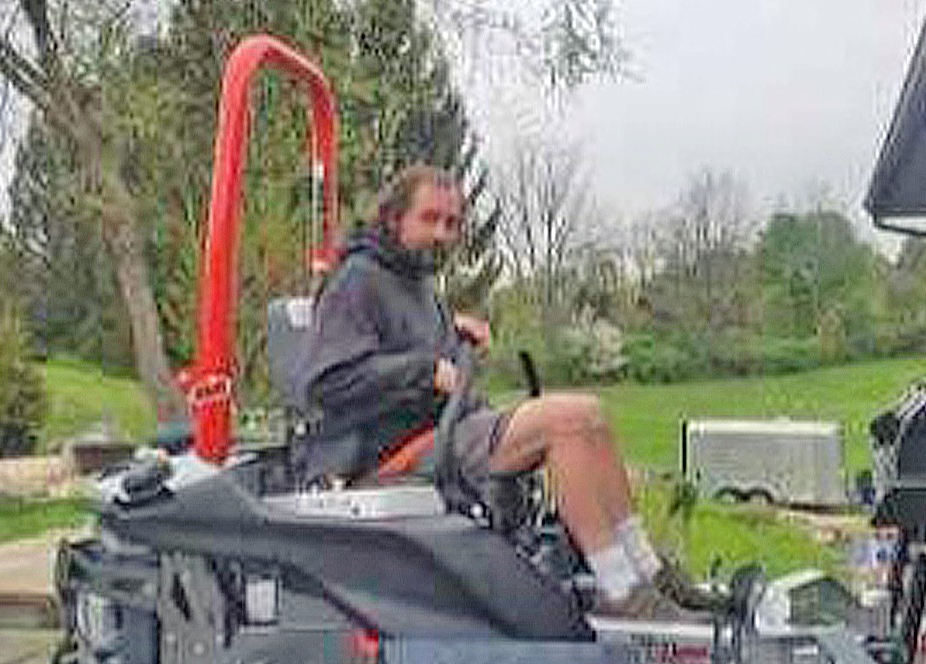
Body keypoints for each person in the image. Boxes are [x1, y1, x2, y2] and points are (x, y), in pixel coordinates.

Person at [295, 164, 709, 618]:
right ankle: (620, 589)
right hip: (388, 452)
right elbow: (327, 381)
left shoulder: (418, 286)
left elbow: (412, 348)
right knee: (566, 422)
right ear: (395, 219)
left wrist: (454, 335)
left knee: (591, 415)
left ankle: (647, 570)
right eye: (430, 219)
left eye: (452, 223)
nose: (442, 234)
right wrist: (424, 370)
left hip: (444, 430)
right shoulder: (357, 280)